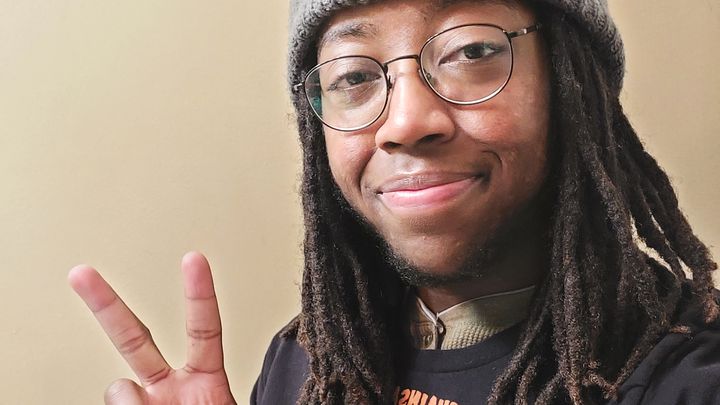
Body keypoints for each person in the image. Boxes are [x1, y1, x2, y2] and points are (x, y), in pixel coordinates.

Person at [68, 0, 720, 404]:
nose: (406, 121)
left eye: (470, 51)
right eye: (354, 75)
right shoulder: (309, 362)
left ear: (572, 83)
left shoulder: (687, 382)